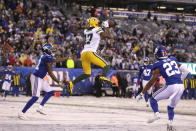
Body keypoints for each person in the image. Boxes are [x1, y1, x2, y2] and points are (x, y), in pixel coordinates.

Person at [136, 46, 189, 131]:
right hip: (180, 86)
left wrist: (142, 93)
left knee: (153, 99)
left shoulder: (158, 64)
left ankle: (157, 114)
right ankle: (169, 124)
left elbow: (151, 81)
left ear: (157, 55)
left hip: (171, 86)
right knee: (171, 106)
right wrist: (180, 79)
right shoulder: (173, 59)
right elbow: (186, 71)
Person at [18, 43, 67, 120]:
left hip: (40, 78)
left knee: (51, 91)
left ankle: (40, 107)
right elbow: (50, 73)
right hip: (36, 78)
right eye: (50, 49)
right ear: (46, 50)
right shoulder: (46, 57)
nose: (52, 50)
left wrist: (66, 58)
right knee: (35, 97)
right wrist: (59, 82)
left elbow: (55, 60)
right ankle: (22, 113)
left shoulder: (47, 57)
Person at [64, 17, 112, 94]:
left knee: (87, 73)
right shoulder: (97, 29)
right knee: (106, 66)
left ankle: (72, 83)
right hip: (90, 52)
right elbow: (109, 36)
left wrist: (102, 28)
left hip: (83, 53)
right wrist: (107, 27)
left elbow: (101, 36)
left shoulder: (86, 31)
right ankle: (103, 77)